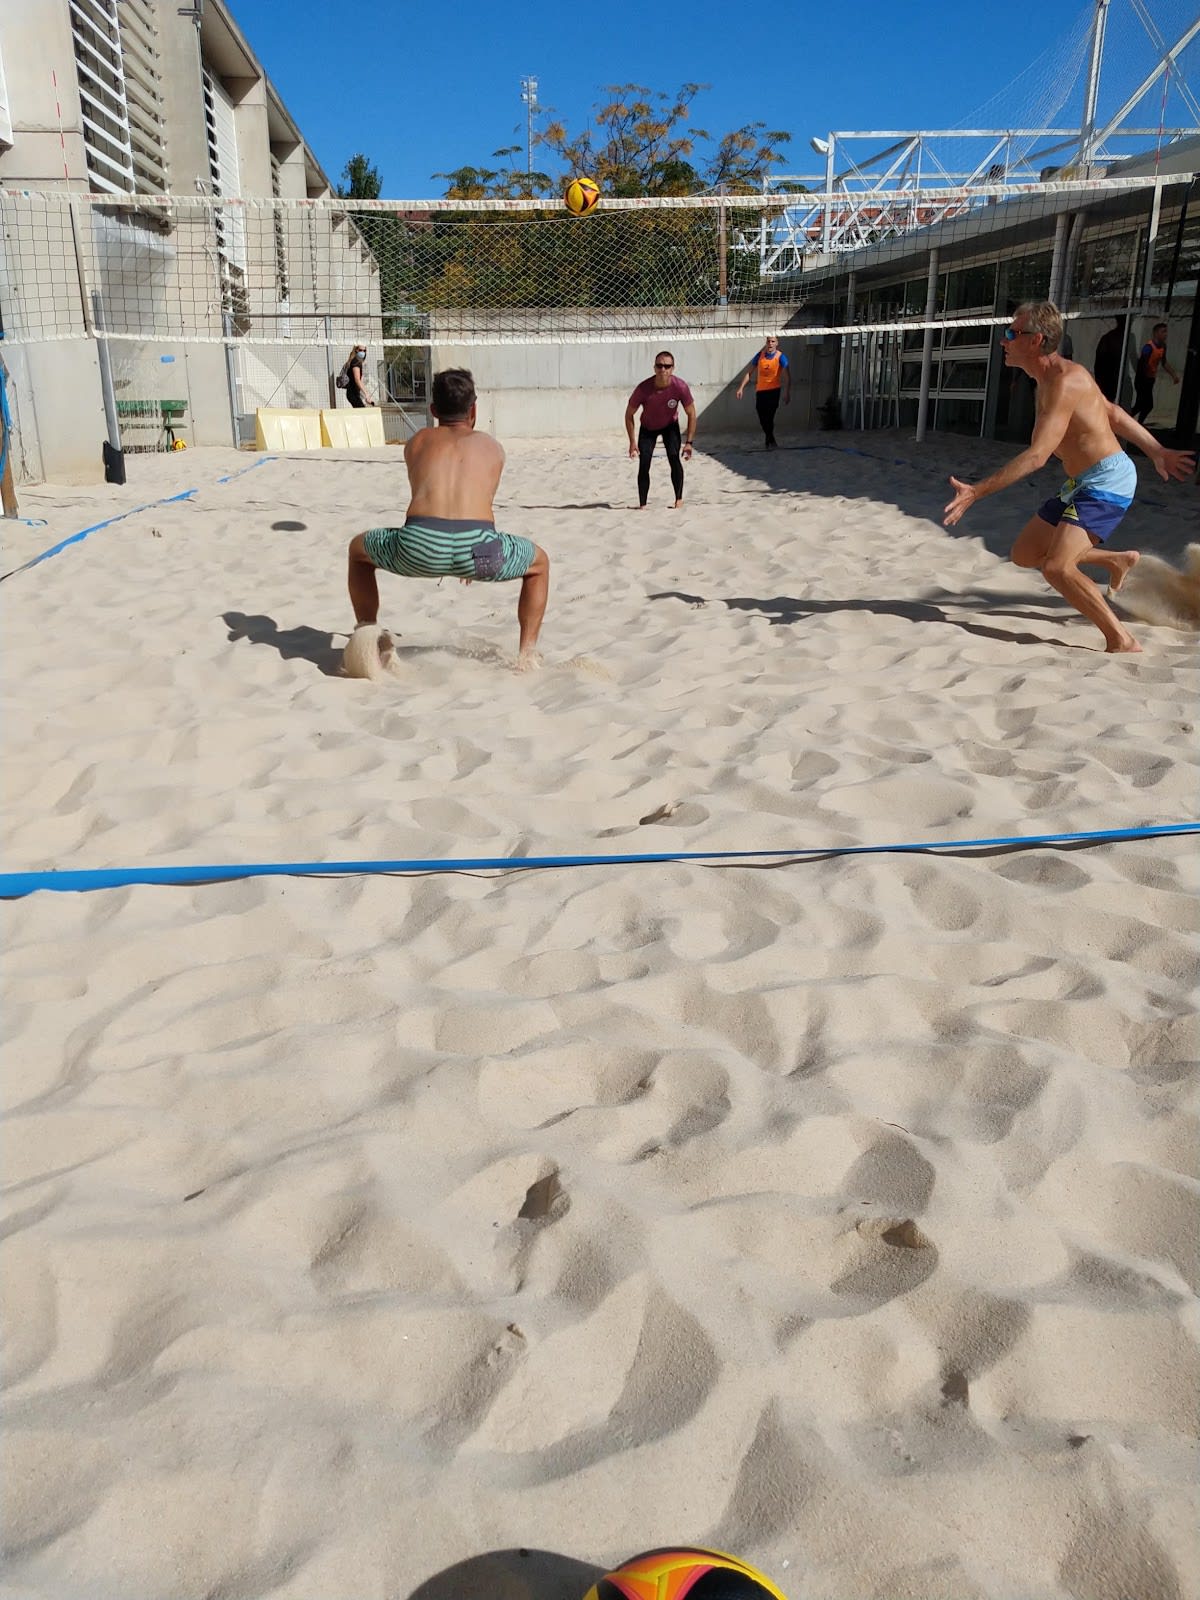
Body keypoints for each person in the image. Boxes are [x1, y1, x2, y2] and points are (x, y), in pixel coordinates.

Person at [943, 301, 1195, 654]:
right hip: (1081, 483)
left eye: (1012, 333)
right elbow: (1111, 411)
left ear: (1036, 340)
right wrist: (1156, 451)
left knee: (1058, 568)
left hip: (1108, 481)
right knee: (1025, 554)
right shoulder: (1044, 381)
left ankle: (1121, 639)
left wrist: (975, 492)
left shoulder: (1065, 382)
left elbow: (1036, 457)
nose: (1004, 340)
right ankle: (1114, 559)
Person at [347, 368, 550, 666]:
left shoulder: (416, 442)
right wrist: (467, 557)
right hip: (480, 548)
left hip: (419, 546)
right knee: (539, 565)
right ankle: (527, 654)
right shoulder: (493, 448)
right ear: (474, 410)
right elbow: (482, 505)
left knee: (358, 551)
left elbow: (426, 492)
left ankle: (367, 634)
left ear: (432, 410)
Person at [625, 352, 697, 508]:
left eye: (667, 366)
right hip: (648, 428)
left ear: (672, 369)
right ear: (654, 368)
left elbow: (691, 413)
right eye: (659, 365)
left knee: (673, 457)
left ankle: (678, 500)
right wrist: (632, 442)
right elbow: (629, 414)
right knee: (644, 463)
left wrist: (689, 442)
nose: (663, 369)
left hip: (670, 426)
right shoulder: (643, 388)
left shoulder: (680, 387)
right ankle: (642, 504)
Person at [735, 334, 791, 448]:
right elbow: (749, 373)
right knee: (762, 417)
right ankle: (770, 438)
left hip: (774, 391)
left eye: (773, 341)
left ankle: (769, 441)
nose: (770, 344)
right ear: (766, 343)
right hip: (761, 391)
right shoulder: (760, 356)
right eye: (769, 341)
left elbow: (787, 376)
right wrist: (741, 388)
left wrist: (787, 392)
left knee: (769, 417)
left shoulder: (781, 357)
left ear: (777, 343)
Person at [1132, 322, 1180, 424]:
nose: (1166, 334)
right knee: (1145, 404)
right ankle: (1132, 422)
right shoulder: (1148, 347)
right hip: (1142, 380)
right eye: (1163, 332)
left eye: (1166, 331)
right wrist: (1143, 380)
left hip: (1150, 380)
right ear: (1156, 333)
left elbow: (1164, 362)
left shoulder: (1163, 347)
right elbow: (1142, 365)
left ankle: (1135, 423)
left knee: (1143, 405)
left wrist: (1173, 375)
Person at [1092, 316, 1126, 403]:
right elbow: (1099, 363)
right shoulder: (1108, 338)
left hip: (1119, 379)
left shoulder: (1128, 338)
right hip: (1108, 380)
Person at [341, 343, 375, 408]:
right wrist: (366, 394)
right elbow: (357, 380)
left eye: (364, 351)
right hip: (352, 393)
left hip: (355, 393)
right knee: (362, 412)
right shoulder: (355, 362)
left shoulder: (357, 361)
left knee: (360, 411)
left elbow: (359, 381)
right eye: (360, 350)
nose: (362, 352)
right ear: (356, 350)